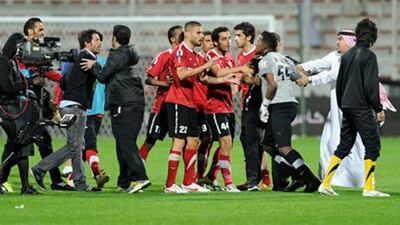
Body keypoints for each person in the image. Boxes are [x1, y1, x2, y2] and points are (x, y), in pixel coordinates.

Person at [318, 18, 390, 197]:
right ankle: (369, 188)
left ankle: (326, 184)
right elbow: (370, 86)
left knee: (344, 145)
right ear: (372, 37)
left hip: (347, 105)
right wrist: (378, 108)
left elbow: (340, 82)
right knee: (373, 146)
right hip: (361, 107)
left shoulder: (347, 55)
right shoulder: (369, 56)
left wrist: (343, 103)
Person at [1, 17, 72, 192]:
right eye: (40, 29)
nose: (43, 33)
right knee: (20, 142)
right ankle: (7, 179)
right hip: (20, 104)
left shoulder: (38, 53)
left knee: (22, 142)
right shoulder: (20, 53)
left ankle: (12, 180)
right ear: (30, 31)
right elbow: (14, 79)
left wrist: (67, 80)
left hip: (32, 103)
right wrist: (32, 81)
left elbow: (47, 72)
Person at [31, 29, 103, 192]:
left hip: (71, 105)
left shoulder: (78, 59)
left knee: (77, 146)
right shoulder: (88, 58)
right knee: (74, 147)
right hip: (75, 107)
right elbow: (103, 76)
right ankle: (40, 169)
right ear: (87, 43)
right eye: (97, 39)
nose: (100, 42)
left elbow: (64, 83)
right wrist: (96, 65)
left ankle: (80, 183)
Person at [295, 30, 369, 187]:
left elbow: (333, 74)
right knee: (329, 141)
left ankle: (357, 181)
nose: (337, 42)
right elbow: (320, 63)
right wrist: (303, 66)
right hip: (336, 109)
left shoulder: (356, 58)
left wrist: (309, 79)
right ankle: (330, 179)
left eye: (340, 39)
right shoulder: (335, 56)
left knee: (355, 146)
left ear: (350, 42)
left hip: (353, 108)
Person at [81, 25, 150, 194]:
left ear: (115, 38)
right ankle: (124, 182)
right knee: (123, 143)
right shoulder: (129, 54)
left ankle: (140, 177)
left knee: (125, 142)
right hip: (134, 103)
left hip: (124, 104)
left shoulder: (117, 54)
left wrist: (94, 65)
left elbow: (103, 77)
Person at [257, 31, 321, 193]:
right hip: (288, 104)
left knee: (284, 147)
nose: (256, 44)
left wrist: (264, 105)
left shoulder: (265, 60)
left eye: (259, 41)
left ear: (265, 45)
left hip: (279, 105)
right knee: (268, 145)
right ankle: (297, 174)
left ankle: (312, 180)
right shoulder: (284, 59)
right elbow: (298, 78)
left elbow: (272, 85)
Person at [162, 21, 217, 193]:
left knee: (194, 141)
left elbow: (202, 79)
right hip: (177, 101)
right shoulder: (180, 50)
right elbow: (182, 74)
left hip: (190, 102)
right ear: (188, 34)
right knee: (179, 142)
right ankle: (170, 184)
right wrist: (206, 65)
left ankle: (188, 182)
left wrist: (227, 79)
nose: (201, 36)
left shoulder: (197, 55)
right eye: (198, 33)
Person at [205, 26, 253, 192]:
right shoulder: (212, 55)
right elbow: (218, 73)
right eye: (224, 39)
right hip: (214, 107)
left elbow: (231, 83)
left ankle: (209, 177)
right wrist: (240, 69)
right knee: (224, 142)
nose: (228, 42)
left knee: (227, 145)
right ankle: (229, 183)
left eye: (229, 38)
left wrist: (238, 83)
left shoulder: (230, 57)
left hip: (228, 107)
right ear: (216, 41)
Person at [0, 33, 40, 194]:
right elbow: (7, 87)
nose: (22, 51)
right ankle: (22, 185)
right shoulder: (2, 62)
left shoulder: (11, 62)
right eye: (20, 48)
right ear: (14, 46)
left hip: (14, 107)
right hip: (6, 108)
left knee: (18, 144)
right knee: (20, 143)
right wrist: (30, 82)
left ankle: (24, 186)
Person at [234, 22, 271, 191]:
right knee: (250, 141)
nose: (236, 39)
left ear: (249, 37)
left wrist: (246, 79)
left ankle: (256, 180)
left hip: (257, 104)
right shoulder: (240, 57)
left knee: (254, 142)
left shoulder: (257, 56)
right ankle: (257, 179)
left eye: (239, 35)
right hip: (246, 102)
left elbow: (262, 80)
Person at [139, 25, 183, 162]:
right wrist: (164, 84)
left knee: (181, 140)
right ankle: (137, 171)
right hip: (163, 105)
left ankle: (182, 179)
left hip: (181, 104)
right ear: (172, 38)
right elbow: (148, 78)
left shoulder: (187, 56)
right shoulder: (164, 56)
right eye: (181, 34)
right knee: (151, 138)